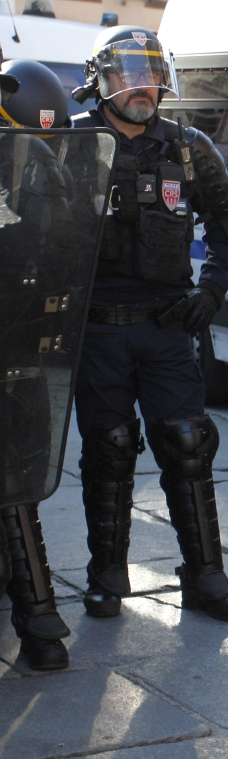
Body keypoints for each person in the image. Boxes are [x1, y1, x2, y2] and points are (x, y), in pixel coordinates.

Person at [69, 26, 228, 626]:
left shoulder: (189, 147)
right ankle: (106, 577)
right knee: (109, 449)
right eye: (128, 76)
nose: (142, 88)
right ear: (101, 82)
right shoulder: (73, 143)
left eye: (150, 75)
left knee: (188, 442)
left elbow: (226, 224)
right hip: (98, 330)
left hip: (168, 327)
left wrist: (212, 290)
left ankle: (205, 577)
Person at [0, 59, 76, 670]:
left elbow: (67, 248)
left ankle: (36, 614)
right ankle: (36, 617)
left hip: (18, 338)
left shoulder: (48, 170)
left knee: (19, 472)